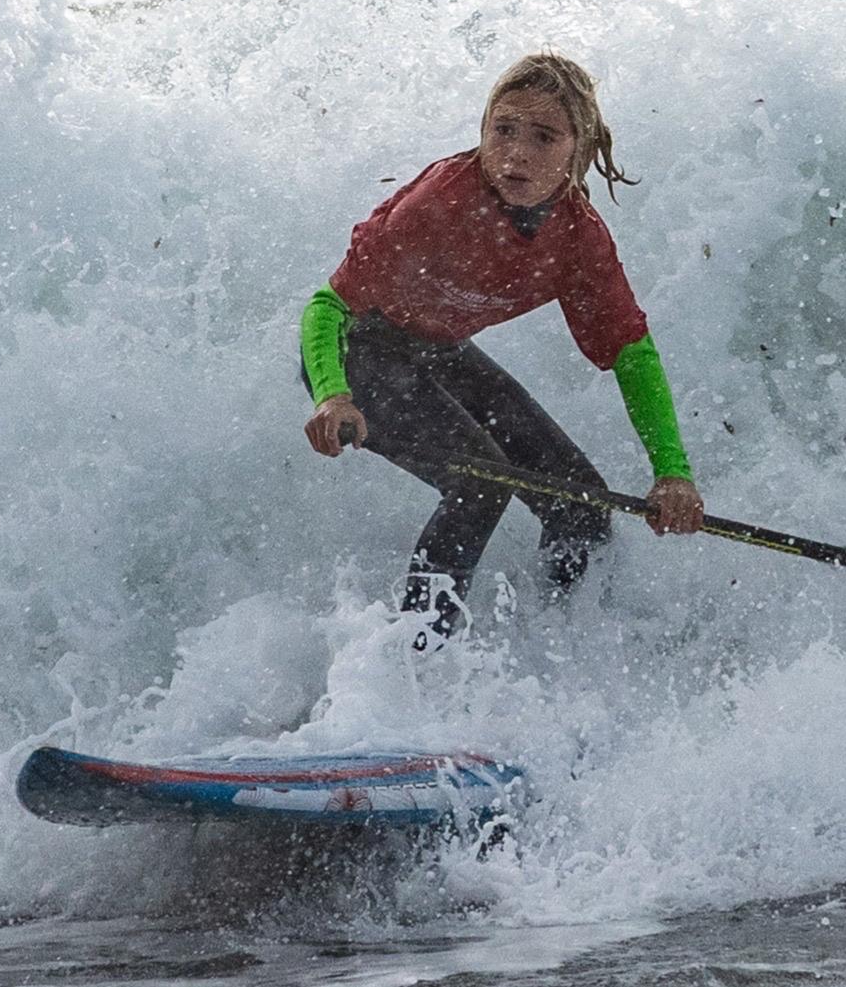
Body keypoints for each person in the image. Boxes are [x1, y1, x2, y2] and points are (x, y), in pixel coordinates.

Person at [300, 52, 703, 649]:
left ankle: (556, 652)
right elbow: (327, 307)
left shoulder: (579, 240)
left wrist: (672, 473)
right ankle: (413, 666)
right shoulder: (437, 202)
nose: (516, 154)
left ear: (578, 151)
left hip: (436, 353)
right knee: (481, 481)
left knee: (583, 509)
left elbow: (631, 353)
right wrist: (333, 394)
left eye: (544, 137)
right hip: (359, 353)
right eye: (503, 130)